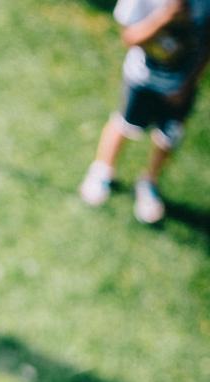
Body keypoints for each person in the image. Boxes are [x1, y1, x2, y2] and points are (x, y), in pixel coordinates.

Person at [79, 0, 210, 223]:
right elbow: (129, 37)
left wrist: (188, 84)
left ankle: (149, 182)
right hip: (142, 79)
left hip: (180, 85)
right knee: (125, 124)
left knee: (169, 135)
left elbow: (206, 45)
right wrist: (164, 18)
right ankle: (102, 170)